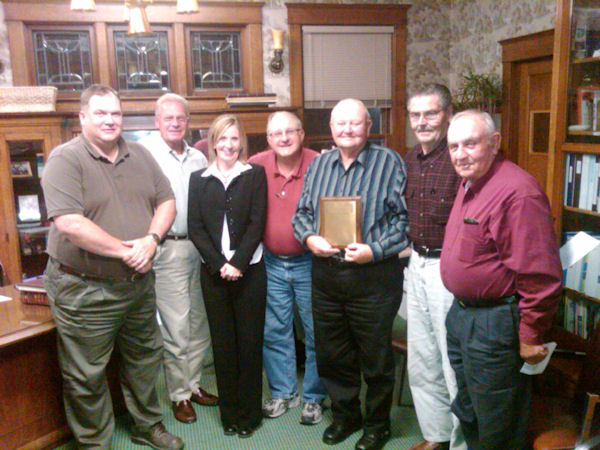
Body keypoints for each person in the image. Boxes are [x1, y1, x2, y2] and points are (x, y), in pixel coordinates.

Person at [42, 84, 183, 450]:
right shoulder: (65, 159)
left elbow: (167, 201)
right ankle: (94, 443)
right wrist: (126, 251)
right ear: (82, 117)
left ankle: (147, 426)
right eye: (100, 113)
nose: (110, 120)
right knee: (85, 373)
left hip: (137, 283)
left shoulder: (140, 154)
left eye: (115, 113)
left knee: (145, 359)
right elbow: (70, 223)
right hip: (85, 288)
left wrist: (151, 240)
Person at [440, 110, 563, 450]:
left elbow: (541, 275)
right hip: (463, 315)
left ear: (494, 143)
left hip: (494, 322)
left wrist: (531, 334)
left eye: (470, 144)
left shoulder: (517, 193)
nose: (460, 154)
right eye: (453, 146)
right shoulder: (471, 183)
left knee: (498, 420)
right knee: (470, 408)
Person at [292, 98, 409, 450]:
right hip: (326, 276)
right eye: (340, 123)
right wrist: (310, 238)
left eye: (355, 123)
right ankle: (346, 416)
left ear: (368, 127)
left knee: (375, 357)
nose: (347, 129)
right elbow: (302, 214)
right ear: (331, 128)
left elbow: (405, 221)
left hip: (373, 277)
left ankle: (377, 424)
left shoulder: (389, 162)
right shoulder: (319, 164)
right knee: (333, 354)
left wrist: (375, 250)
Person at [138, 93, 218, 425]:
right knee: (176, 326)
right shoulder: (144, 155)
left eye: (180, 118)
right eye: (168, 118)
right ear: (157, 121)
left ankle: (193, 384)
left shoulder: (199, 158)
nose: (175, 123)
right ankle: (179, 395)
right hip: (167, 249)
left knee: (200, 324)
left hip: (199, 248)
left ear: (188, 121)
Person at [188, 114, 267, 438]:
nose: (229, 145)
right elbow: (195, 228)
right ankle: (230, 415)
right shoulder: (199, 179)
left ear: (241, 142)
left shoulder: (254, 174)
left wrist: (238, 263)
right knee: (223, 347)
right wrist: (220, 264)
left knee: (249, 345)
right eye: (222, 138)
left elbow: (257, 223)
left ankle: (250, 415)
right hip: (213, 273)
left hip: (250, 271)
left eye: (234, 138)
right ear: (212, 142)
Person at [248, 111, 326, 424]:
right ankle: (283, 392)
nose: (284, 138)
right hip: (270, 262)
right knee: (274, 330)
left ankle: (314, 397)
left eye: (290, 131)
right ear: (268, 139)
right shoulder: (256, 165)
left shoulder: (320, 163)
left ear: (302, 134)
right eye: (276, 133)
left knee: (316, 330)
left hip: (311, 262)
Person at [403, 84, 465, 450]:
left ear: (448, 114)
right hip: (416, 263)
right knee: (422, 357)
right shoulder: (410, 159)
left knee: (450, 359)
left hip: (449, 268)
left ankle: (460, 442)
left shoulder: (459, 158)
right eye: (416, 115)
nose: (422, 122)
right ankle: (436, 434)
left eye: (431, 113)